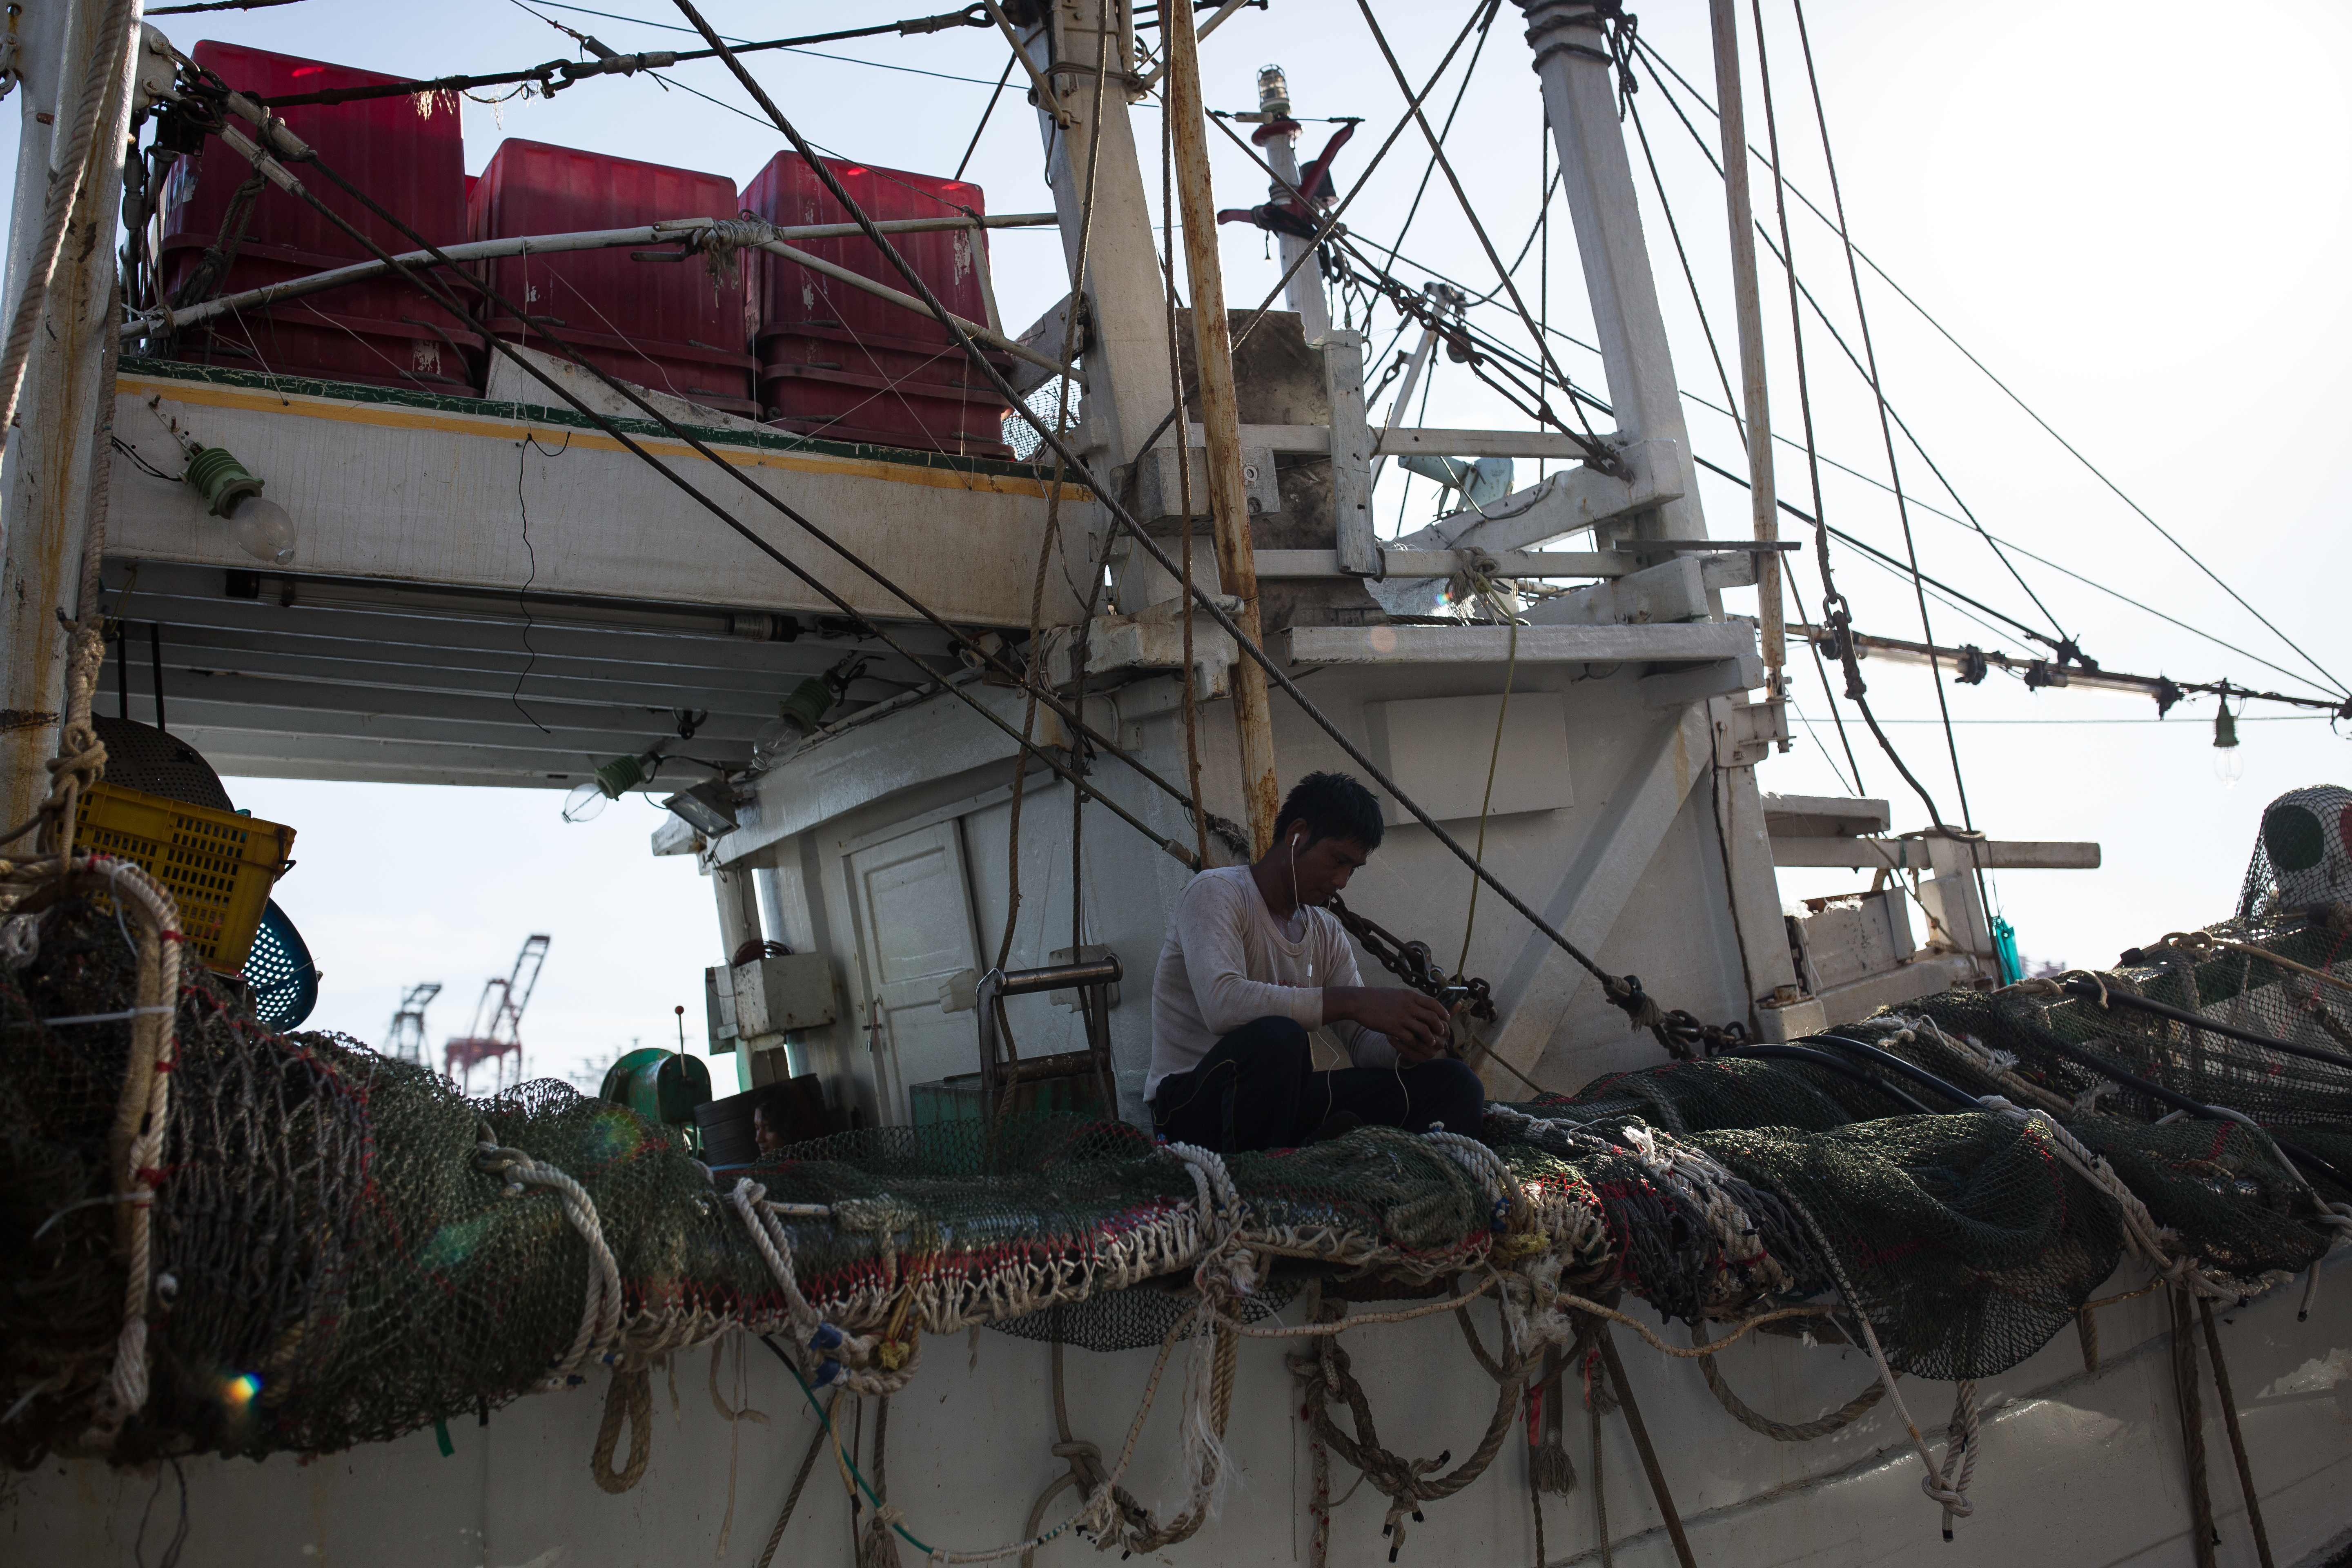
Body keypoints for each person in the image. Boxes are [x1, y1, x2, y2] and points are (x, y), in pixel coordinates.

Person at [1147, 771, 1485, 1153]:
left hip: (1278, 1105)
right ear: (1298, 834)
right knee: (1279, 1038)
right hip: (1190, 1109)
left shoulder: (1324, 931)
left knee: (1456, 1083)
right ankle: (1262, 1185)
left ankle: (1405, 1186)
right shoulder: (1215, 892)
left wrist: (1404, 1047)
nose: (1342, 881)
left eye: (1353, 869)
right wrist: (1356, 1002)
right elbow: (1221, 1005)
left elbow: (1360, 1043)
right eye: (1338, 861)